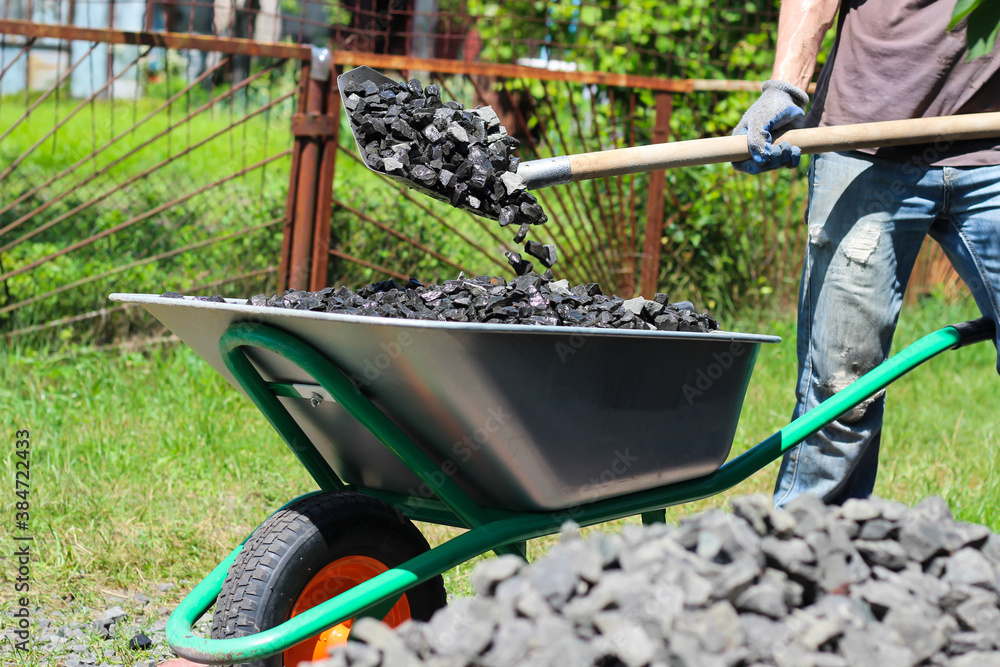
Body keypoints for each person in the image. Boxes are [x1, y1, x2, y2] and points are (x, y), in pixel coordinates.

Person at [731, 0, 1000, 508]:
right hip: (863, 139)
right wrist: (785, 86)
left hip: (993, 147)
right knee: (842, 388)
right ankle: (809, 552)